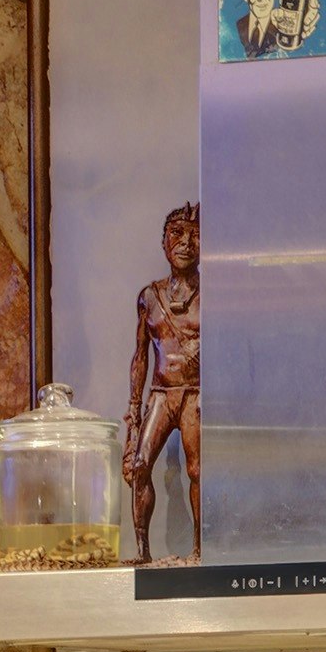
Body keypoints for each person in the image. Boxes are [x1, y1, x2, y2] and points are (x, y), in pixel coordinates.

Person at [125, 203, 202, 560]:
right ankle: (143, 552)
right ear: (164, 242)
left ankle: (201, 550)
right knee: (140, 466)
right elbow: (140, 355)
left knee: (198, 470)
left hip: (195, 394)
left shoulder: (212, 295)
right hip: (161, 393)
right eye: (177, 234)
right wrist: (133, 407)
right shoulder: (150, 297)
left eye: (196, 236)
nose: (186, 243)